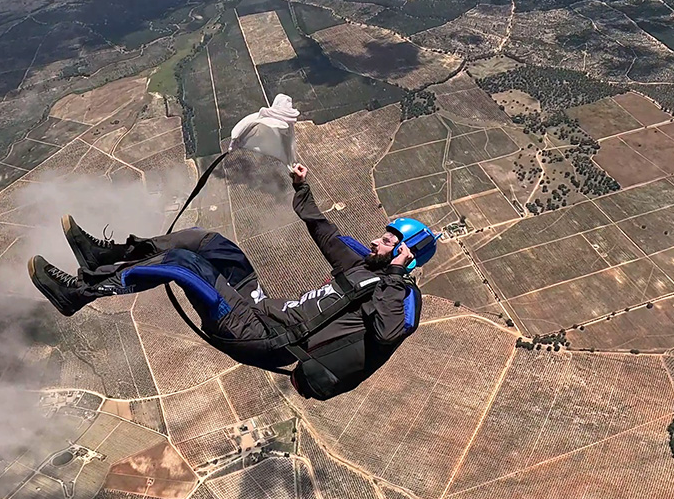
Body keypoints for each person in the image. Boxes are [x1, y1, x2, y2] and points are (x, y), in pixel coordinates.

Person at [28, 164, 438, 400]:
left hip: (264, 338)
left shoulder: (401, 296)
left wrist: (399, 274)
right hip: (262, 310)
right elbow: (326, 232)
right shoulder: (364, 266)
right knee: (210, 243)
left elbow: (388, 332)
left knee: (185, 265)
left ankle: (80, 293)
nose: (373, 240)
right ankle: (109, 256)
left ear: (406, 253)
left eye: (387, 241)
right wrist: (302, 187)